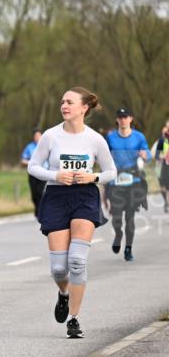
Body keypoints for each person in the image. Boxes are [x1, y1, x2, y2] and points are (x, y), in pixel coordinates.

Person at [28, 87, 116, 339]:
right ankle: (63, 293)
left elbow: (111, 171)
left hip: (85, 197)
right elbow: (34, 167)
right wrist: (55, 175)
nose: (64, 105)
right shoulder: (50, 136)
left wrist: (94, 176)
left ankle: (74, 319)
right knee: (58, 268)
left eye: (69, 102)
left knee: (77, 262)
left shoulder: (95, 139)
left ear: (83, 108)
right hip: (56, 197)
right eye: (62, 102)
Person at [104, 108, 151, 262]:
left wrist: (145, 155)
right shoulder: (110, 138)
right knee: (117, 218)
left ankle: (128, 248)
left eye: (125, 117)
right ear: (117, 120)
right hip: (116, 182)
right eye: (120, 117)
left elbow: (148, 154)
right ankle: (118, 234)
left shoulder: (139, 137)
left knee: (130, 218)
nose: (123, 120)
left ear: (131, 119)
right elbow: (102, 155)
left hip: (134, 182)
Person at [22, 130, 46, 220]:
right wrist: (30, 162)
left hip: (43, 172)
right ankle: (37, 209)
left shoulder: (46, 146)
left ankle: (40, 212)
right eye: (35, 136)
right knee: (34, 193)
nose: (37, 138)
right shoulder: (29, 147)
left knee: (40, 192)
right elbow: (23, 160)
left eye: (39, 136)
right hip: (32, 173)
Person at [151, 119, 169, 213]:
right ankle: (166, 201)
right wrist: (162, 156)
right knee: (163, 187)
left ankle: (167, 202)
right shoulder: (161, 141)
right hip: (161, 167)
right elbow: (155, 154)